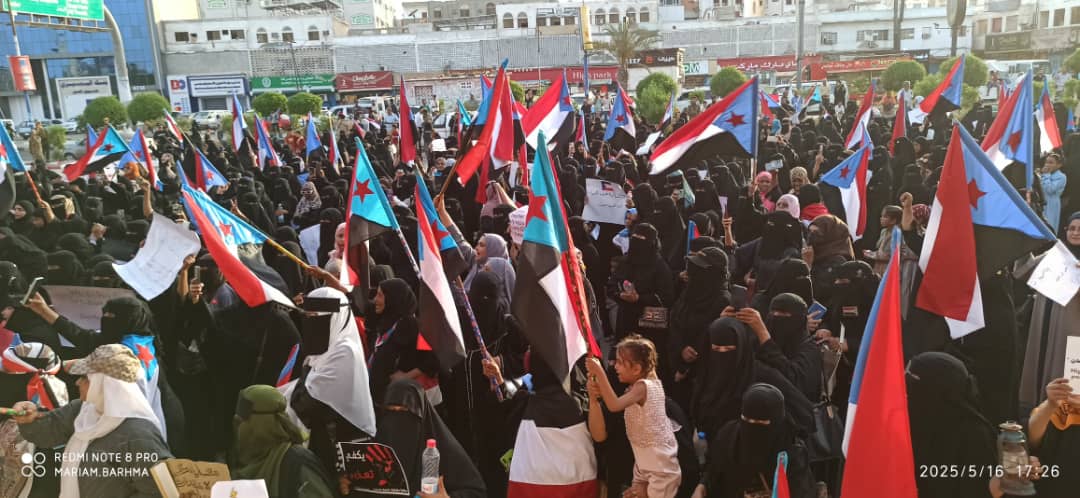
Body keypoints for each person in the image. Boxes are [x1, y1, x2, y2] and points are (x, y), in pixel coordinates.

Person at [11, 344, 172, 497]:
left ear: (107, 384)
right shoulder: (83, 410)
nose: (77, 382)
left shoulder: (139, 436)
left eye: (85, 378)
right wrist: (29, 419)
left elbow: (160, 491)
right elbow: (49, 430)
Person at [586, 336, 681, 498]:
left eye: (619, 362)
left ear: (636, 369)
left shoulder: (643, 387)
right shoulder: (638, 387)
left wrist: (600, 372)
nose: (615, 367)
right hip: (643, 464)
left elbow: (614, 405)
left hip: (660, 469)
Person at [369, 379, 486, 498]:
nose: (397, 421)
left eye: (405, 411)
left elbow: (477, 492)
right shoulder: (376, 450)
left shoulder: (442, 450)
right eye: (392, 411)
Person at [905, 352, 999, 498]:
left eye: (911, 381)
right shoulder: (907, 425)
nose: (905, 389)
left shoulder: (974, 437)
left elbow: (978, 490)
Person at [697, 383, 815, 498]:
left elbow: (801, 491)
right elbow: (714, 469)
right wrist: (702, 486)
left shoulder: (791, 451)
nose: (752, 428)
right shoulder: (729, 435)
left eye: (762, 423)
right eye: (747, 420)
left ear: (777, 422)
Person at [229, 385, 336, 498]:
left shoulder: (297, 463)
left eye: (243, 421)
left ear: (264, 423)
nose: (238, 428)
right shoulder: (240, 460)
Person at [1040, 153, 1066, 232]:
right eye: (1046, 162)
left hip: (1052, 203)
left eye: (1051, 162)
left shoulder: (1061, 177)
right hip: (1041, 202)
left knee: (1049, 225)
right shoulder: (1042, 174)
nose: (1047, 165)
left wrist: (1046, 175)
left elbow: (1050, 189)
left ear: (1059, 165)